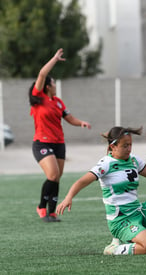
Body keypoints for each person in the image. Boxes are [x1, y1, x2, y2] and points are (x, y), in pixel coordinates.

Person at [56, 126, 146, 255]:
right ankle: (114, 250)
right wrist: (69, 197)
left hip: (138, 212)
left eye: (130, 145)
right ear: (113, 147)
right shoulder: (106, 164)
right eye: (125, 146)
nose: (129, 149)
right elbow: (82, 181)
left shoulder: (133, 159)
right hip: (121, 221)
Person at [29, 48, 91, 222]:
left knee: (56, 178)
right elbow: (42, 74)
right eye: (54, 83)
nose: (55, 86)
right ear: (48, 86)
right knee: (53, 175)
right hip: (42, 143)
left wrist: (81, 123)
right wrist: (54, 59)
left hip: (59, 143)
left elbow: (69, 118)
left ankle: (52, 212)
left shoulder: (58, 102)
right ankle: (41, 207)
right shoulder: (39, 98)